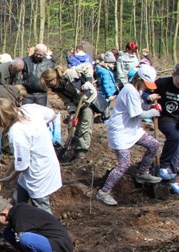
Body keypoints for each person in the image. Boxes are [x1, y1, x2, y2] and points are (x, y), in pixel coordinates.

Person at [95, 64, 163, 206]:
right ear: (139, 79)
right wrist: (152, 113)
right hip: (120, 131)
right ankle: (103, 192)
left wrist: (150, 106)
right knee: (124, 164)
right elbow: (136, 114)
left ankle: (142, 173)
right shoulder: (130, 90)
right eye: (146, 83)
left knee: (154, 145)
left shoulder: (136, 91)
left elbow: (139, 108)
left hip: (132, 130)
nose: (147, 86)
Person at [0, 98, 62, 213]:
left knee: (41, 208)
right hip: (44, 162)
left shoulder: (16, 132)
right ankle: (16, 223)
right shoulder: (29, 109)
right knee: (18, 199)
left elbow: (23, 165)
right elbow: (52, 115)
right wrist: (38, 132)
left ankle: (50, 230)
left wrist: (9, 178)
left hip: (38, 173)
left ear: (4, 117)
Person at [40, 64, 97, 162]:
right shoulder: (57, 88)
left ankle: (81, 153)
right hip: (77, 104)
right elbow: (67, 101)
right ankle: (73, 149)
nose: (49, 87)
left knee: (84, 126)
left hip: (89, 101)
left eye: (48, 84)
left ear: (53, 79)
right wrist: (72, 112)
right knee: (72, 125)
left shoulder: (70, 74)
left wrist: (88, 81)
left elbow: (88, 66)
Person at [155, 63, 179, 194]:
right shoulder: (162, 83)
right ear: (173, 75)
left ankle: (172, 176)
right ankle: (163, 166)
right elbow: (144, 90)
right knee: (175, 136)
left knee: (177, 146)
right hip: (165, 117)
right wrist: (148, 98)